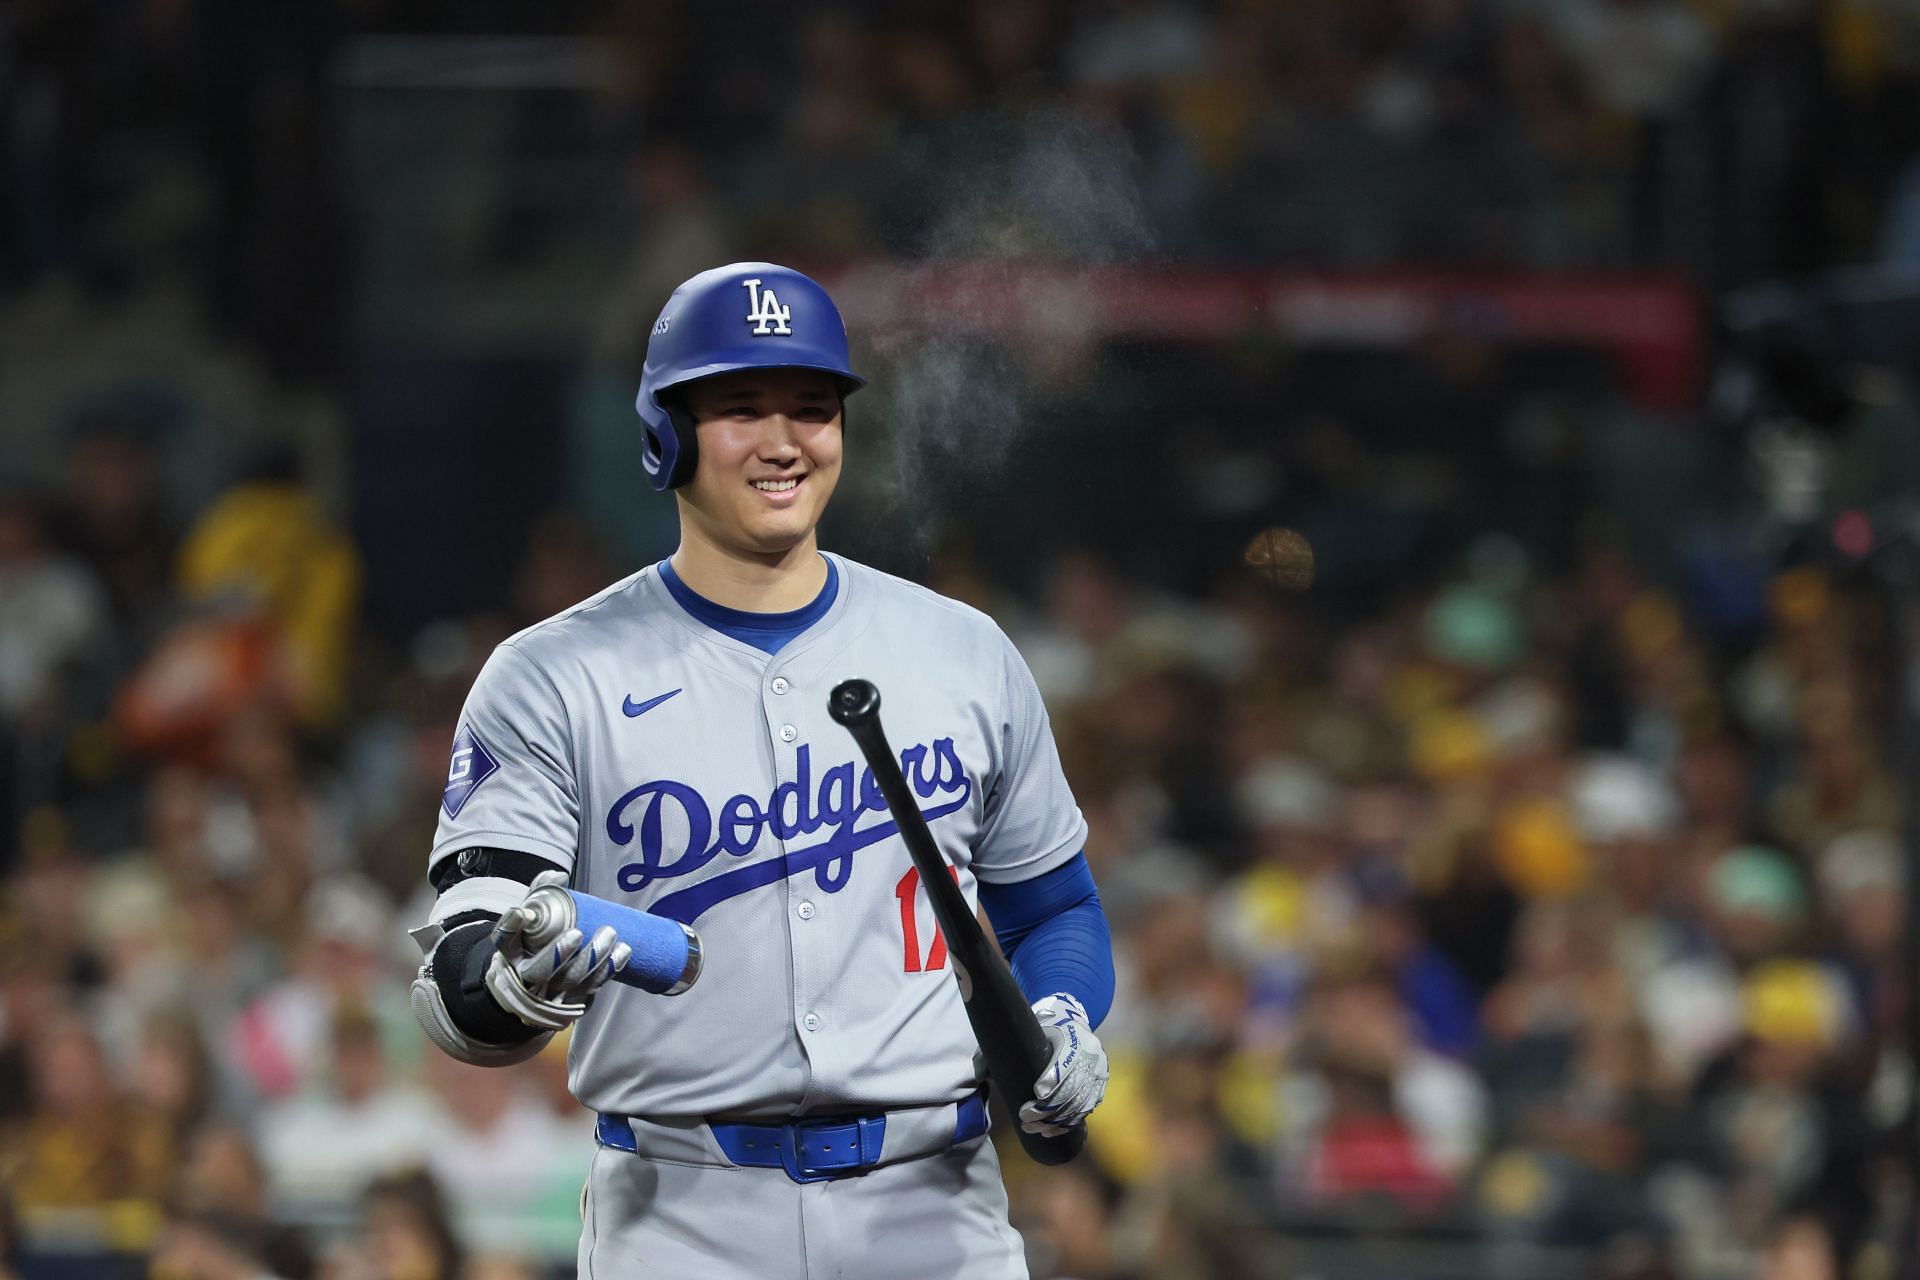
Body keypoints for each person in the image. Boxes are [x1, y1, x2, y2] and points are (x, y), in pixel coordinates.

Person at [407, 263, 1116, 1278]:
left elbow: (1056, 908)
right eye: (741, 407)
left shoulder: (962, 651)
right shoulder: (553, 673)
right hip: (681, 1213)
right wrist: (516, 978)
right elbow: (457, 977)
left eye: (812, 407)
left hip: (932, 1202)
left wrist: (1061, 1014)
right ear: (668, 432)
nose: (784, 439)